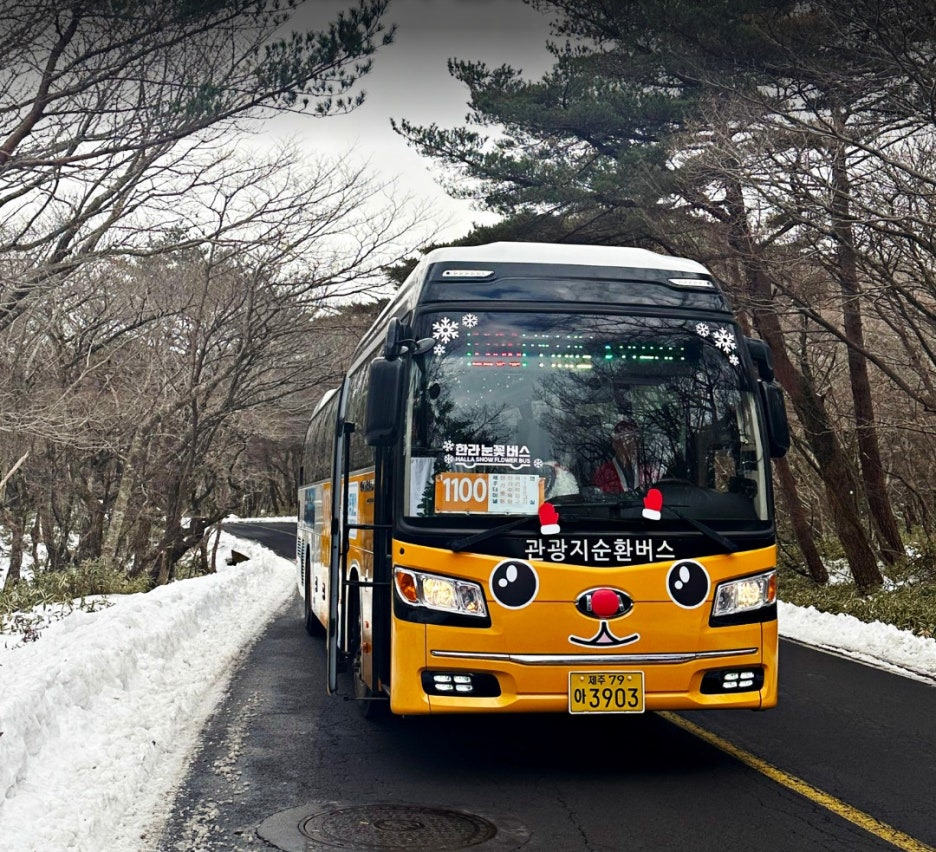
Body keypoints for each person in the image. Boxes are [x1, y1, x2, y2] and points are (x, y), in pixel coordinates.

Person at [593, 419, 658, 493]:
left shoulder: (649, 471)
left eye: (636, 440)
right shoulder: (603, 473)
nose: (634, 444)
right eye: (628, 440)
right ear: (615, 444)